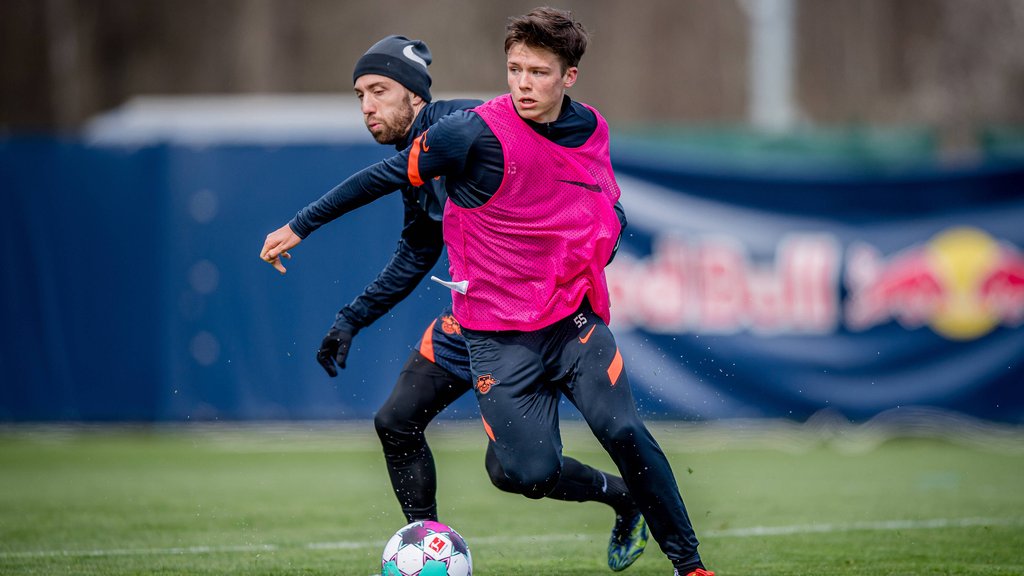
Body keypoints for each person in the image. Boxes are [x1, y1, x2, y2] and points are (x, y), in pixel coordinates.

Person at [263, 34, 649, 571]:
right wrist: (351, 319)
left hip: (532, 325)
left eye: (380, 90)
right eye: (359, 95)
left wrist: (301, 225)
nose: (367, 106)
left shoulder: (466, 131)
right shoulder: (419, 166)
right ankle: (427, 550)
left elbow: (583, 196)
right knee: (396, 421)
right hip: (473, 324)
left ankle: (624, 496)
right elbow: (415, 253)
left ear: (416, 96)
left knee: (516, 474)